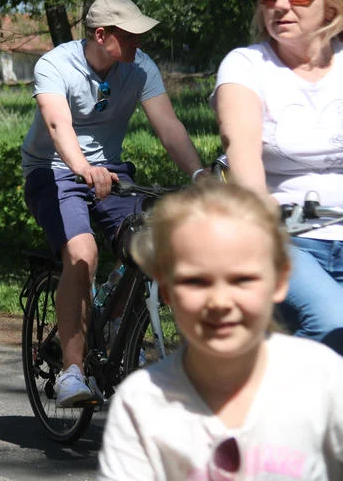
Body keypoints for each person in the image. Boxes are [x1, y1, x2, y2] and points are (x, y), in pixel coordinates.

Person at [21, 0, 203, 407]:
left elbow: (169, 127)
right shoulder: (55, 65)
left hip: (111, 173)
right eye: (131, 35)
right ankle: (72, 371)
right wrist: (83, 168)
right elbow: (57, 124)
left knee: (149, 245)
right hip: (53, 171)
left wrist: (199, 174)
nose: (139, 43)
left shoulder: (139, 67)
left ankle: (118, 326)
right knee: (81, 254)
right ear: (101, 35)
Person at [98, 181, 343, 480]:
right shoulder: (142, 404)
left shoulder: (324, 380)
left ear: (278, 282)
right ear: (167, 292)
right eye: (196, 282)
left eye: (241, 280)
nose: (219, 302)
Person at [213, 0, 343, 353]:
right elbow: (243, 155)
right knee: (331, 323)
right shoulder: (247, 66)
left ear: (331, 3)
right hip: (285, 237)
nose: (281, 4)